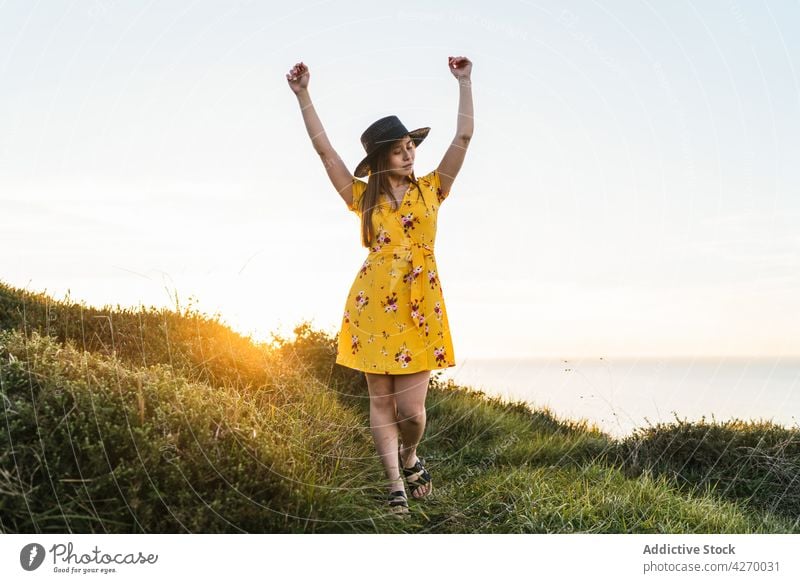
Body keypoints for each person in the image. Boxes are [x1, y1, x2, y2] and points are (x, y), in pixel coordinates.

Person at [286, 56, 474, 516]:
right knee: (379, 400)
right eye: (399, 149)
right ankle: (395, 488)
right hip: (372, 304)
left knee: (411, 411)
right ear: (380, 159)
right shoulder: (362, 198)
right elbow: (326, 154)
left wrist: (465, 82)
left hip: (420, 304)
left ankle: (410, 456)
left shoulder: (434, 189)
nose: (409, 153)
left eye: (411, 145)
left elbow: (463, 137)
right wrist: (303, 95)